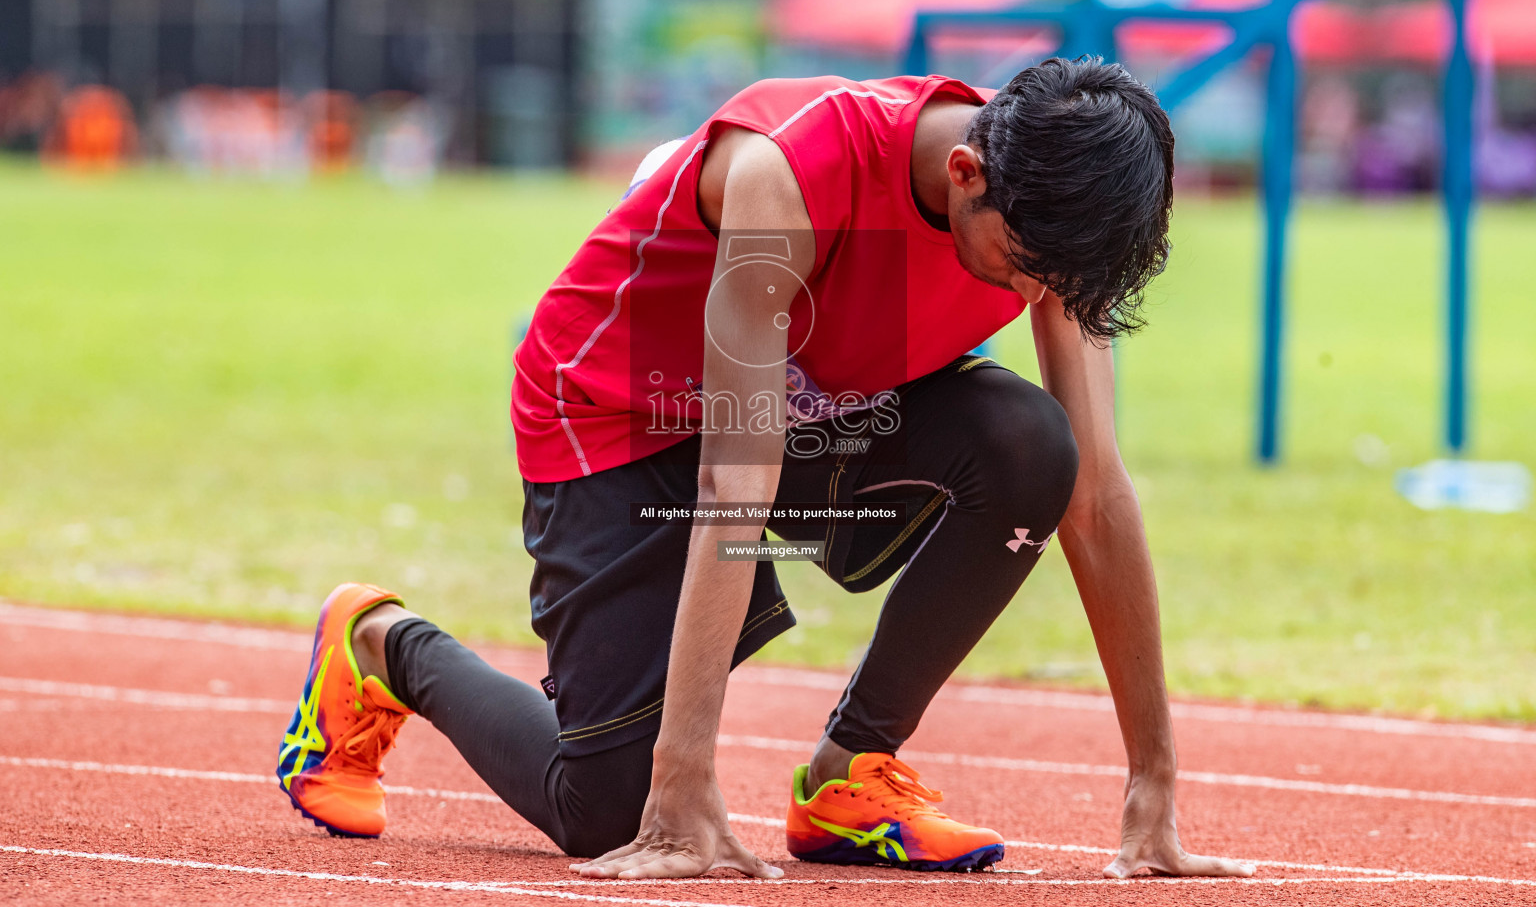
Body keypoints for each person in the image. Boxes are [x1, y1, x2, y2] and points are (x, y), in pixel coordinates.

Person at [276, 57, 1255, 880]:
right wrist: (683, 779)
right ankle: (382, 646)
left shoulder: (1050, 215)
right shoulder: (789, 173)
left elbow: (1098, 496)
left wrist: (1152, 783)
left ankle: (850, 773)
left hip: (811, 404)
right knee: (607, 812)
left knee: (1035, 444)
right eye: (1025, 264)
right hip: (623, 414)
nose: (1040, 292)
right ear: (965, 172)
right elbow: (733, 479)